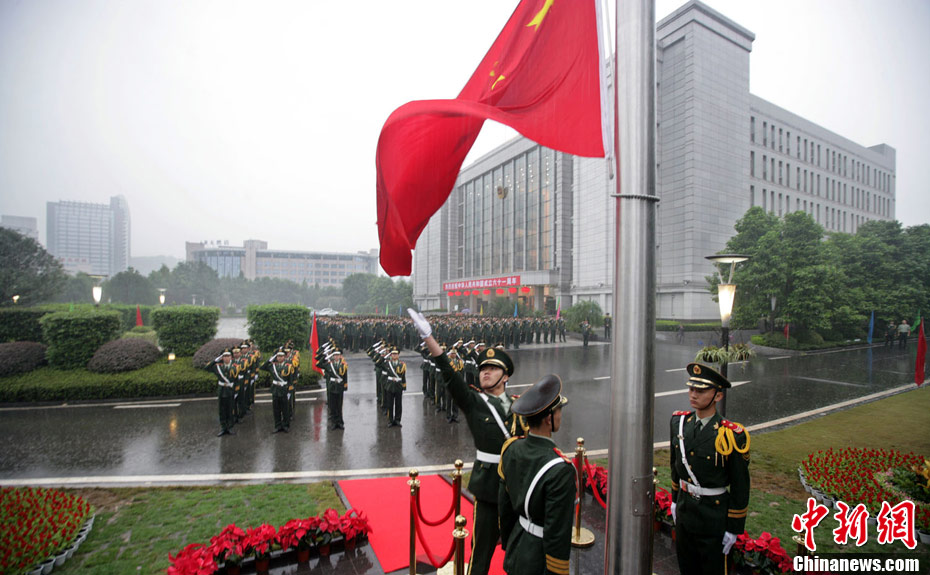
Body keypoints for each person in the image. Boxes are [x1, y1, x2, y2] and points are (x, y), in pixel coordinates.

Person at [409, 308, 517, 575]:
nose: (485, 372)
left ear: (505, 376)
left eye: (492, 368)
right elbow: (449, 374)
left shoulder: (519, 406)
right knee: (480, 556)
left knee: (519, 556)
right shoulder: (474, 402)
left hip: (516, 490)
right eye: (483, 369)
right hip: (489, 490)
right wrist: (429, 339)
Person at [670, 363, 750, 575]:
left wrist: (734, 527)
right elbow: (675, 466)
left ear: (718, 396)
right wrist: (674, 499)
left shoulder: (731, 435)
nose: (693, 394)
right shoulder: (679, 423)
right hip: (685, 511)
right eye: (691, 388)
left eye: (701, 390)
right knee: (687, 568)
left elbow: (740, 485)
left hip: (713, 517)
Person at [498, 374, 574, 575]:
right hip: (538, 559)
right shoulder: (561, 470)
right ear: (549, 419)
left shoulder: (511, 449)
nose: (560, 416)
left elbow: (505, 507)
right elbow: (557, 534)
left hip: (517, 544)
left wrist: (510, 544)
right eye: (559, 411)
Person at [206, 348, 238, 436]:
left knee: (230, 409)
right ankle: (223, 427)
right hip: (222, 390)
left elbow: (237, 380)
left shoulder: (236, 366)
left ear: (231, 357)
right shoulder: (218, 367)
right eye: (224, 356)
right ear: (222, 358)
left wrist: (236, 390)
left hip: (230, 390)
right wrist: (215, 360)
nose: (226, 358)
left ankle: (230, 427)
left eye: (228, 356)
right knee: (222, 410)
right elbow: (207, 368)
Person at [261, 347, 294, 433]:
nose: (279, 358)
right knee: (276, 409)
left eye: (281, 356)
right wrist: (270, 360)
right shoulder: (272, 366)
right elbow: (262, 367)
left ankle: (286, 425)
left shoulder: (288, 367)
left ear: (284, 357)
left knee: (285, 409)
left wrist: (290, 391)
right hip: (275, 389)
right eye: (278, 356)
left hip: (284, 389)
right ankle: (277, 425)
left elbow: (291, 380)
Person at [319, 348, 348, 430]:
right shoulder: (329, 364)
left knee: (339, 405)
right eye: (335, 355)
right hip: (332, 386)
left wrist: (345, 385)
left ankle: (340, 422)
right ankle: (334, 422)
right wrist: (324, 356)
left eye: (337, 355)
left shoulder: (343, 365)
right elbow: (319, 364)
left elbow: (345, 376)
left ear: (340, 356)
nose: (336, 357)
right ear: (333, 356)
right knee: (333, 406)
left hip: (339, 386)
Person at [383, 347, 407, 427]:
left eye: (396, 354)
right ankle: (390, 420)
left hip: (398, 386)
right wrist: (385, 385)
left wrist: (404, 386)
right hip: (390, 386)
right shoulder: (387, 364)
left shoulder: (402, 364)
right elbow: (384, 375)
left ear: (398, 355)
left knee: (398, 404)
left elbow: (403, 376)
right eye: (393, 354)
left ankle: (397, 420)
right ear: (390, 355)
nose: (394, 355)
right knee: (389, 404)